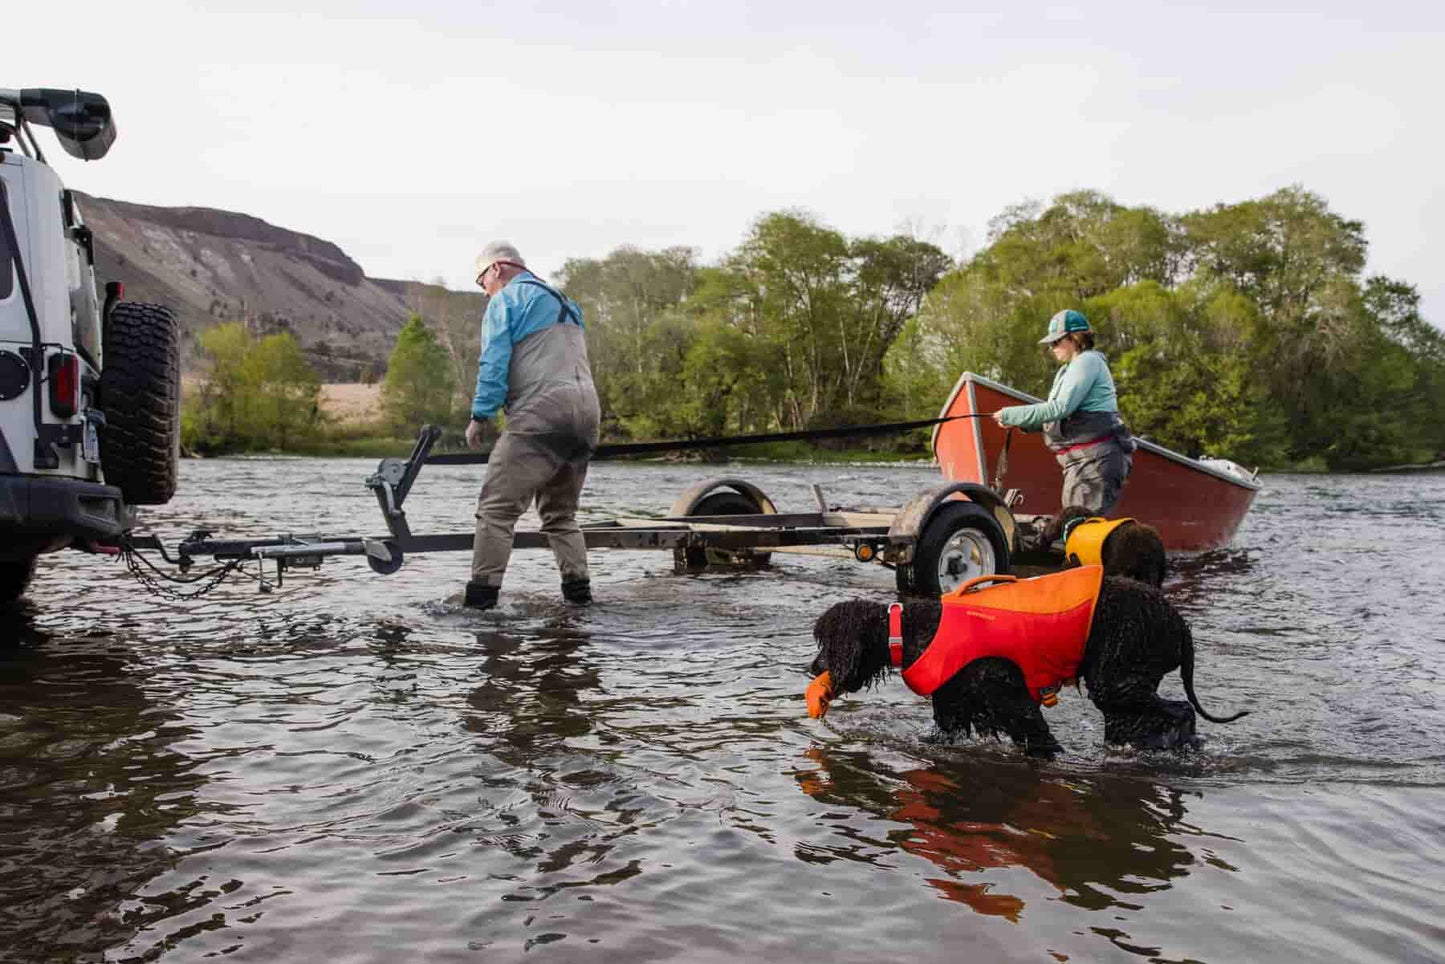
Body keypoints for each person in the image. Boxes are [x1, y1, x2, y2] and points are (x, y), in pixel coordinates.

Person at [463, 241, 600, 610]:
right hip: (588, 413)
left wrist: (481, 416)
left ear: (497, 269)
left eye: (482, 283)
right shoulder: (566, 302)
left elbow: (493, 362)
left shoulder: (506, 300)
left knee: (496, 510)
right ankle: (580, 600)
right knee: (561, 515)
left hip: (543, 411)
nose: (485, 291)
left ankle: (480, 607)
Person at [991, 309, 1135, 518]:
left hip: (1095, 463)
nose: (1052, 348)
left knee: (1082, 530)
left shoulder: (1088, 362)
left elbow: (1059, 408)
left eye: (1057, 342)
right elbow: (1057, 416)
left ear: (1075, 339)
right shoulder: (1067, 370)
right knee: (1074, 526)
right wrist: (1023, 424)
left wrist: (1011, 414)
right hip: (1079, 463)